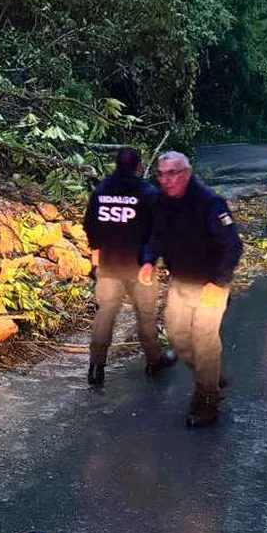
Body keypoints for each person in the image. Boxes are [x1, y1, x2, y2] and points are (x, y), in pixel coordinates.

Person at [138, 152, 242, 428]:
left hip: (211, 284)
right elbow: (156, 235)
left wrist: (219, 283)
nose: (166, 180)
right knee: (179, 338)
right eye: (161, 174)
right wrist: (148, 260)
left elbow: (233, 246)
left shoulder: (209, 202)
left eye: (172, 173)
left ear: (186, 173)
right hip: (181, 281)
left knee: (204, 341)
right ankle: (211, 374)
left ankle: (207, 401)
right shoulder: (160, 202)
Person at [82, 147, 175, 387]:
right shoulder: (148, 192)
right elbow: (160, 231)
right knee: (145, 314)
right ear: (139, 166)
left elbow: (90, 226)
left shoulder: (101, 190)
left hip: (108, 265)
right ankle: (154, 360)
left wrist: (95, 259)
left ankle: (96, 366)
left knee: (105, 313)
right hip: (139, 267)